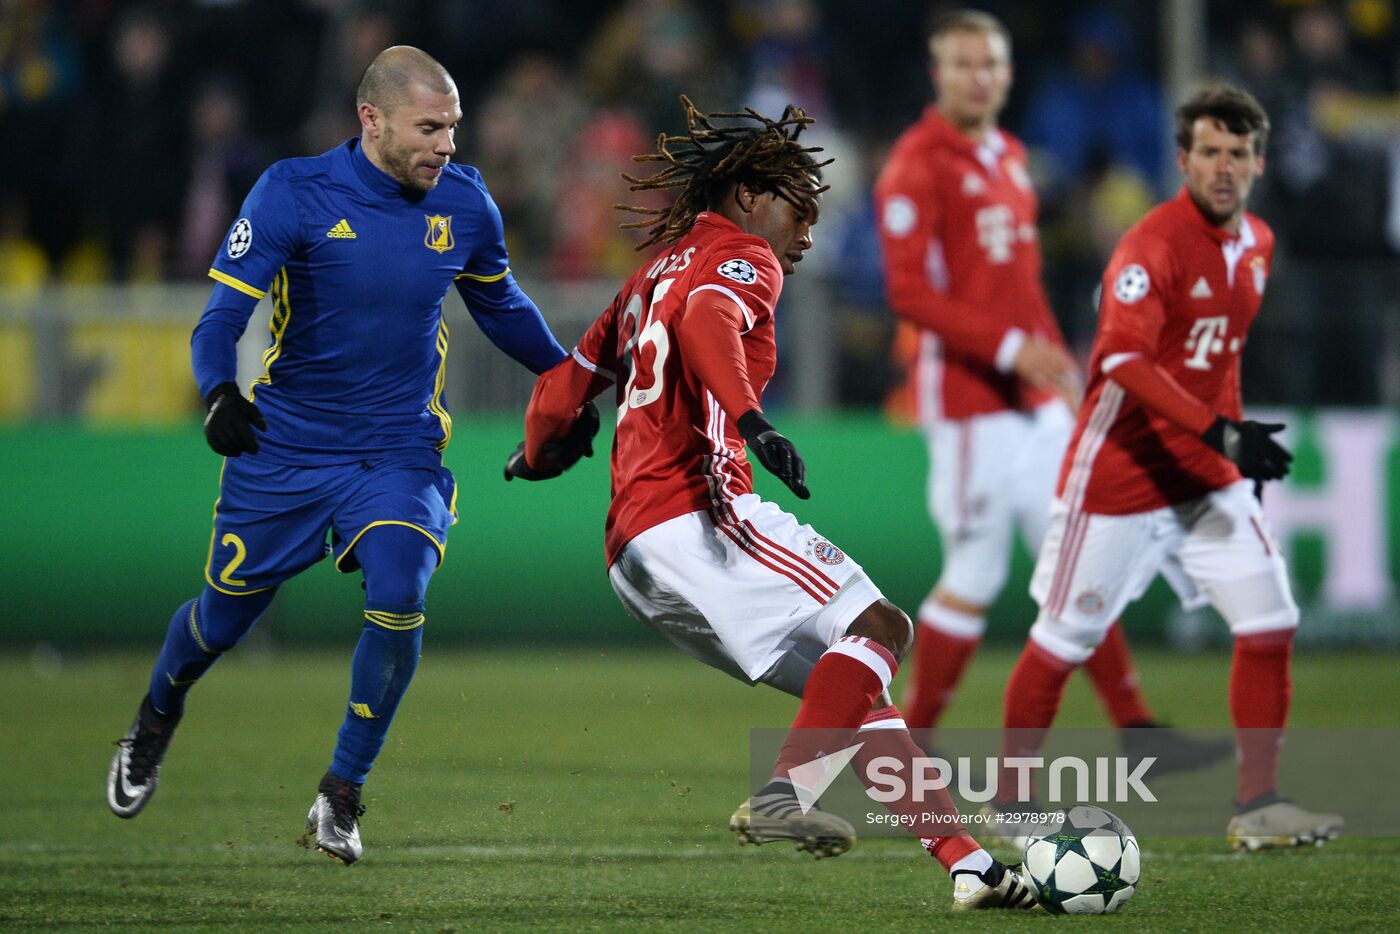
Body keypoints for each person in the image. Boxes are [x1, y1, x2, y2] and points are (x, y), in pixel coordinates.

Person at [506, 96, 1037, 911]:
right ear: (751, 194)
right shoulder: (742, 256)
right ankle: (786, 793)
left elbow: (561, 391)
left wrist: (537, 453)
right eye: (802, 205)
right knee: (881, 628)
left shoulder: (647, 275)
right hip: (701, 512)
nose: (809, 231)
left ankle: (968, 864)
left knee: (853, 685)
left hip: (632, 556)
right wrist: (752, 420)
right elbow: (709, 321)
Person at [105, 46, 597, 865]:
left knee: (402, 589)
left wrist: (564, 380)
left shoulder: (467, 205)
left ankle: (342, 791)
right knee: (221, 619)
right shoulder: (294, 191)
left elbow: (502, 305)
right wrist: (219, 394)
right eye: (429, 128)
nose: (447, 145)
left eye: (454, 128)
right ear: (371, 120)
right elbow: (220, 317)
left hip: (398, 451)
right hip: (288, 450)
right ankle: (157, 714)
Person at [873, 11, 1225, 770]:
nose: (979, 77)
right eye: (963, 64)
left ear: (1006, 74)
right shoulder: (916, 163)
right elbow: (908, 294)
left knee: (1078, 555)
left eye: (990, 64)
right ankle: (908, 744)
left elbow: (1019, 284)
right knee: (975, 569)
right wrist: (1010, 349)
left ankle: (1135, 727)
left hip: (1032, 398)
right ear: (940, 76)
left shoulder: (1006, 154)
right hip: (968, 400)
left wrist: (1061, 367)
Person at [993, 84, 1342, 851]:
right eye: (1210, 152)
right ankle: (1011, 801)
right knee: (1062, 640)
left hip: (1204, 474)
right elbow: (1120, 360)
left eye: (1239, 153)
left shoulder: (1258, 243)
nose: (1224, 167)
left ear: (1257, 162)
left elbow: (1214, 361)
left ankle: (1257, 806)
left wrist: (1229, 441)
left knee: (1271, 619)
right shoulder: (1150, 246)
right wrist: (1223, 430)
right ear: (1182, 159)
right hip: (1120, 475)